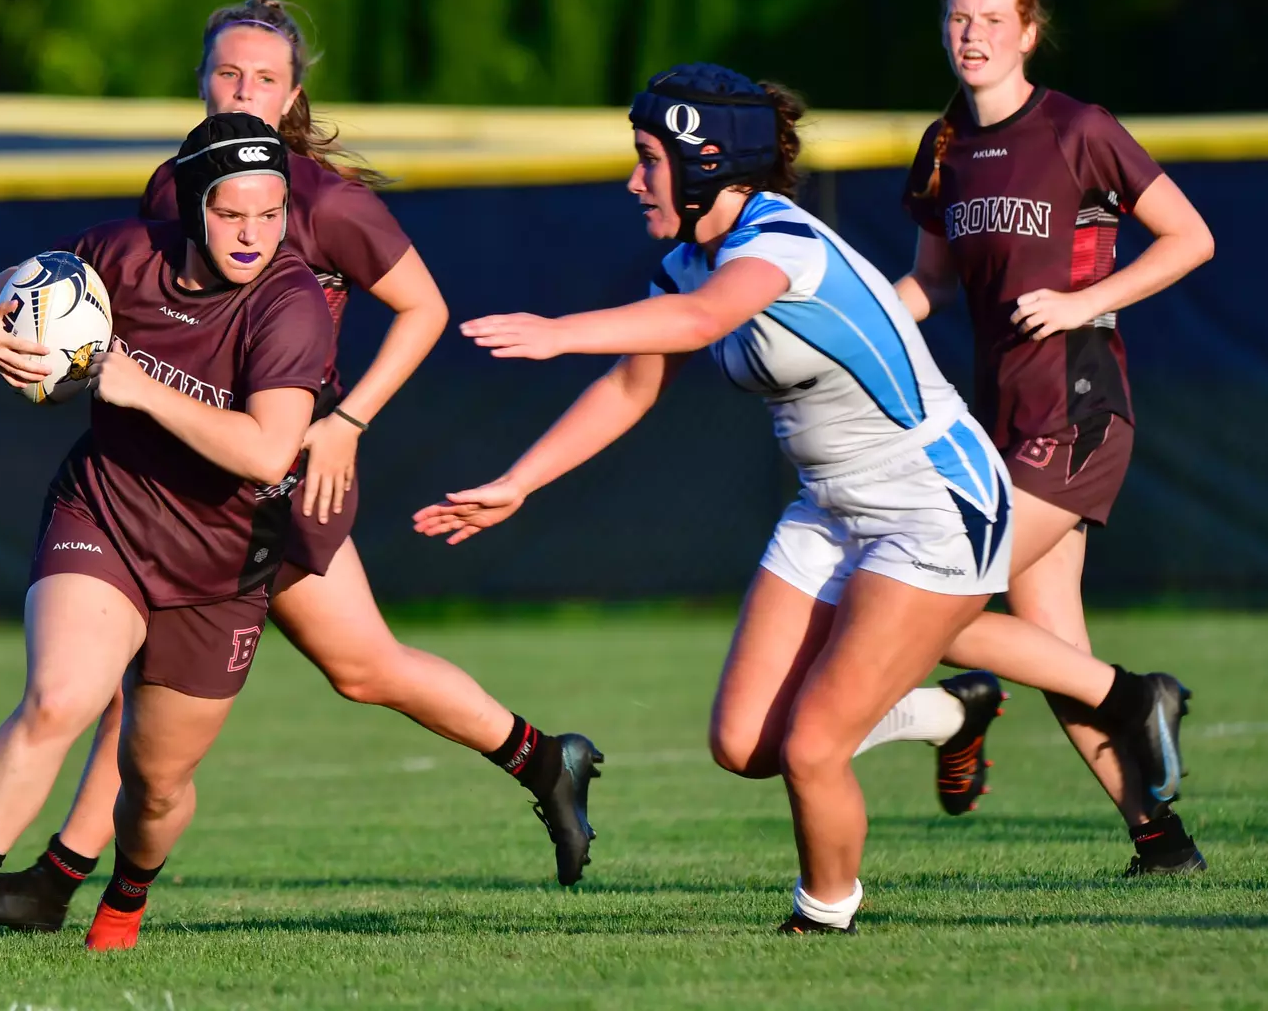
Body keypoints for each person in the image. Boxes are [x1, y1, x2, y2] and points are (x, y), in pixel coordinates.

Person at [415, 64, 1190, 932]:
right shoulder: (683, 262)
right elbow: (633, 388)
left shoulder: (780, 243)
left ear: (707, 161)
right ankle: (971, 709)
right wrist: (517, 484)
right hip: (831, 506)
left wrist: (557, 333)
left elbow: (704, 321)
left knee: (815, 747)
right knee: (745, 744)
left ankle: (823, 916)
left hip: (933, 502)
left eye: (648, 159)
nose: (634, 181)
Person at [0, 0, 602, 936]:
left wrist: (346, 420)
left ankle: (547, 760)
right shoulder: (179, 186)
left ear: (294, 92)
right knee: (150, 692)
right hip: (177, 482)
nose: (245, 90)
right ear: (199, 83)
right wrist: (8, 332)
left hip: (269, 484)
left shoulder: (323, 202)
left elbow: (426, 310)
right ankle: (58, 885)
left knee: (360, 668)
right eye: (228, 73)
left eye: (265, 77)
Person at [0, 112, 333, 962]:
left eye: (271, 213)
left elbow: (266, 449)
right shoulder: (122, 253)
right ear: (194, 204)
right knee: (61, 697)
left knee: (155, 786)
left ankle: (124, 904)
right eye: (233, 212)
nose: (253, 233)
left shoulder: (291, 304)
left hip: (223, 560)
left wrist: (132, 383)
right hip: (107, 511)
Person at [892, 0, 1214, 875]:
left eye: (993, 20)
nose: (973, 36)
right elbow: (929, 285)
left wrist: (1084, 302)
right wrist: (849, 325)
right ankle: (1159, 839)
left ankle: (1126, 695)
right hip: (995, 423)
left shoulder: (1079, 127)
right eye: (959, 19)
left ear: (1027, 33)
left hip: (1077, 415)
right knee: (1048, 646)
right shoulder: (943, 143)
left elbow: (1190, 237)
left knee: (922, 606)